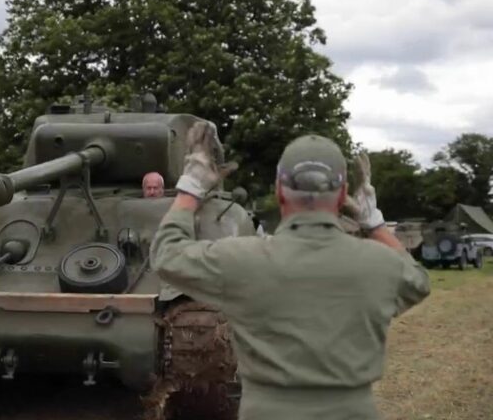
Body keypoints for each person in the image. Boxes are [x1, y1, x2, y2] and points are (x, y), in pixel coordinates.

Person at [150, 123, 430, 420]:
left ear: (280, 191)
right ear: (343, 194)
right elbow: (418, 281)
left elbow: (166, 254)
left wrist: (192, 186)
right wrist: (372, 221)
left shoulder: (243, 259)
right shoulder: (378, 264)